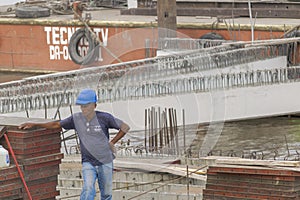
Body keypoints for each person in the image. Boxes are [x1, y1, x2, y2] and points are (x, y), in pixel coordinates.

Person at [19, 89, 130, 200]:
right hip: (88, 162)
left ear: (94, 105)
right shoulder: (76, 119)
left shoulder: (105, 118)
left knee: (106, 193)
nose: (84, 109)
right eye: (82, 106)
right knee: (88, 189)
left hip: (105, 161)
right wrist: (35, 124)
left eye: (86, 106)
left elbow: (125, 127)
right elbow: (56, 125)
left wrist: (112, 143)